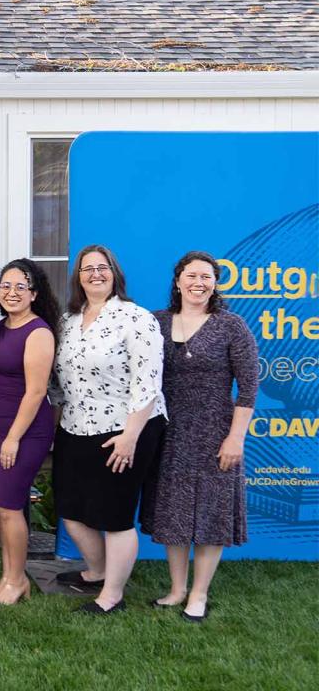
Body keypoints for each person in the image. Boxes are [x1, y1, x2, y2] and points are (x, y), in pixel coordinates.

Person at [49, 244, 166, 615]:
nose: (95, 274)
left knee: (114, 515)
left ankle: (112, 595)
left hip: (126, 427)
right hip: (76, 426)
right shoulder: (68, 320)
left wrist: (131, 436)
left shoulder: (136, 318)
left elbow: (147, 382)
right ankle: (97, 571)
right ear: (78, 277)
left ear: (115, 273)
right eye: (87, 269)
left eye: (102, 267)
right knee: (70, 507)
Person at [142, 251, 257, 623]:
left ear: (215, 283)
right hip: (167, 434)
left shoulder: (231, 326)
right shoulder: (155, 323)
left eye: (206, 277)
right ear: (178, 281)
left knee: (211, 515)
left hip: (214, 434)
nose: (198, 282)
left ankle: (199, 593)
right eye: (191, 275)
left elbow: (250, 387)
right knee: (173, 515)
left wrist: (235, 438)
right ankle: (176, 589)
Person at [0, 259, 58, 605]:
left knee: (11, 506)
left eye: (20, 287)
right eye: (5, 286)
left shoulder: (38, 332)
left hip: (23, 433)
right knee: (8, 506)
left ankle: (16, 580)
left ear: (34, 294)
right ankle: (10, 575)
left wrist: (13, 437)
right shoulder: (0, 327)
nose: (11, 293)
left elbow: (36, 392)